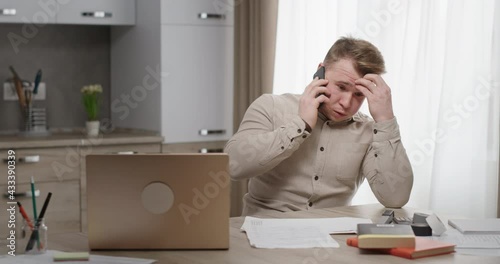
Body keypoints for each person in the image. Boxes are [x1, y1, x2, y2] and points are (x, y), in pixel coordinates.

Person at [225, 36, 413, 216]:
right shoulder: (271, 106)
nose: (347, 103)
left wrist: (386, 119)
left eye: (359, 95)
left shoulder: (370, 130)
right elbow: (233, 166)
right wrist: (301, 125)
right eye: (341, 87)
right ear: (320, 72)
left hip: (332, 239)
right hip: (263, 234)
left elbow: (395, 198)